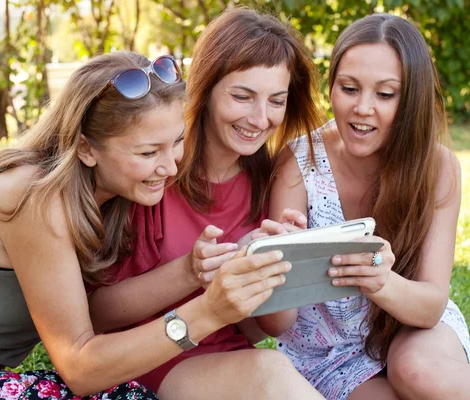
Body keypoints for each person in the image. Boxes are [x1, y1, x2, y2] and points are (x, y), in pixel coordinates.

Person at [0, 51, 293, 398]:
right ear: (86, 148)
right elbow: (79, 368)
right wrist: (206, 312)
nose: (170, 168)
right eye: (147, 153)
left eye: (177, 142)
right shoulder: (35, 197)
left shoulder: (111, 194)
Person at [267, 13, 470, 400]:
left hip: (412, 329)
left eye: (385, 94)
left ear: (411, 99)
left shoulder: (437, 167)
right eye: (349, 88)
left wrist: (381, 282)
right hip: (327, 356)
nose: (362, 108)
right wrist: (283, 269)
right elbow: (277, 325)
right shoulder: (299, 162)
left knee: (417, 372)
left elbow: (430, 304)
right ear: (332, 86)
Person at [88, 8, 326, 400]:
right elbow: (99, 312)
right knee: (270, 370)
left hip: (228, 361)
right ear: (206, 88)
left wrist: (279, 263)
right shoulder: (152, 171)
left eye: (276, 101)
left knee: (272, 367)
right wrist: (191, 272)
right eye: (242, 96)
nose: (260, 118)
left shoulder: (268, 180)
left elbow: (273, 326)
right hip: (144, 360)